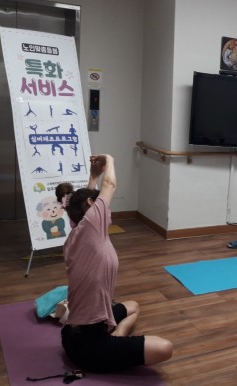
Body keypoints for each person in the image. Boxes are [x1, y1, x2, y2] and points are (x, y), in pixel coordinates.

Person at [56, 155, 173, 373]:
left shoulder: (79, 231)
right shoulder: (91, 226)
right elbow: (109, 184)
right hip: (88, 347)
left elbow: (82, 204)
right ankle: (115, 342)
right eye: (100, 204)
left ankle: (116, 337)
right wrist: (109, 159)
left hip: (72, 333)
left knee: (133, 306)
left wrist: (93, 176)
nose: (106, 209)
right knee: (165, 348)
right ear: (92, 206)